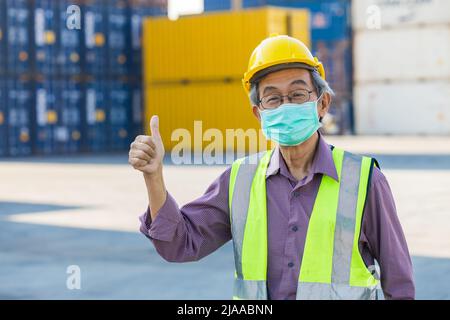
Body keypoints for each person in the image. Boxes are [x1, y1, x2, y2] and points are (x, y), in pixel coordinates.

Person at [128, 34, 415, 300]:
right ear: (259, 113)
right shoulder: (240, 180)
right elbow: (180, 244)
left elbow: (399, 282)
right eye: (273, 98)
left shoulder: (364, 180)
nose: (286, 106)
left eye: (298, 94)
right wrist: (154, 178)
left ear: (322, 103)